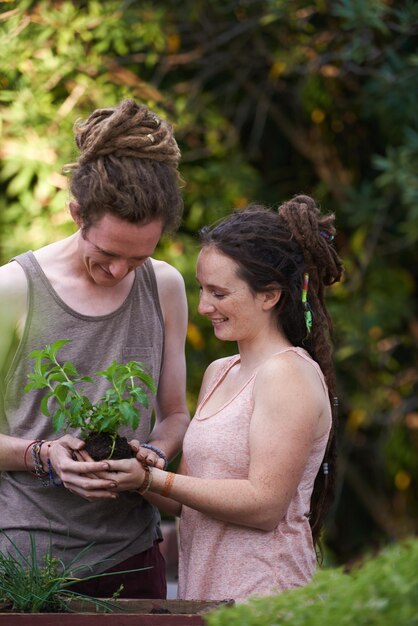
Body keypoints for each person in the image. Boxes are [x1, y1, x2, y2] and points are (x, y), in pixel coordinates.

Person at [100, 195, 344, 602]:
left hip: (265, 599)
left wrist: (153, 478)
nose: (203, 306)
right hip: (207, 598)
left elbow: (265, 505)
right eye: (201, 289)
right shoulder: (221, 371)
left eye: (219, 293)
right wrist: (128, 468)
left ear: (269, 295)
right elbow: (189, 498)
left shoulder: (287, 374)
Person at [0, 99, 190, 599]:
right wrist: (42, 456)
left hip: (133, 554)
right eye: (106, 255)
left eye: (138, 257)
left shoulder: (165, 286)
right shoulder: (14, 289)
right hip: (25, 561)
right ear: (77, 214)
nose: (119, 272)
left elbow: (174, 415)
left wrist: (151, 455)